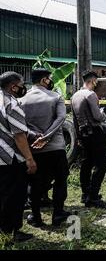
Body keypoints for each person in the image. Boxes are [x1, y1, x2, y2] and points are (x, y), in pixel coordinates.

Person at [20, 69, 71, 227]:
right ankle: (58, 214)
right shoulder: (55, 97)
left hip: (33, 149)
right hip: (56, 147)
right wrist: (47, 136)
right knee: (60, 180)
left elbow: (19, 126)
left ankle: (36, 217)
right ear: (44, 80)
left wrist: (36, 136)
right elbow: (62, 117)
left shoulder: (21, 100)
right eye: (49, 79)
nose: (51, 81)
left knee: (35, 184)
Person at [0, 72, 37, 242]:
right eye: (22, 84)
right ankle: (10, 232)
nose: (24, 87)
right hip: (11, 158)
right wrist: (29, 159)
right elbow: (19, 135)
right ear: (13, 86)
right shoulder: (12, 104)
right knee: (14, 197)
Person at [71, 71, 106, 208]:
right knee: (101, 163)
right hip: (94, 132)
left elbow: (74, 120)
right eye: (96, 81)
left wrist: (78, 137)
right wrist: (104, 114)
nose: (96, 84)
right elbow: (97, 116)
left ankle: (85, 193)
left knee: (86, 163)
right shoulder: (90, 94)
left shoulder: (74, 95)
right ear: (92, 81)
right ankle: (93, 197)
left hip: (82, 133)